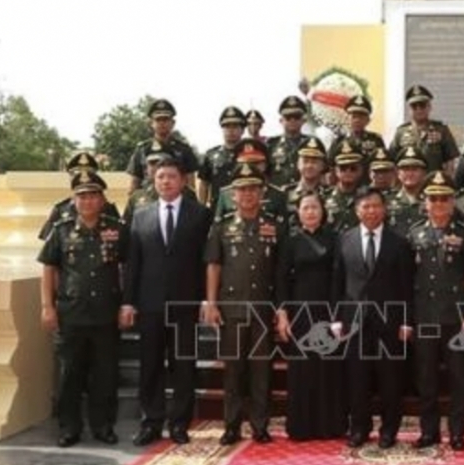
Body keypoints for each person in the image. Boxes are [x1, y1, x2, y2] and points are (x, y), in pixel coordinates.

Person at [122, 157, 215, 447]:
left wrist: (204, 298)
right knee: (150, 365)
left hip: (185, 304)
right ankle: (151, 421)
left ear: (183, 180)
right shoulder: (141, 215)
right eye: (160, 176)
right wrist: (128, 302)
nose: (165, 181)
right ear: (153, 179)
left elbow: (205, 261)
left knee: (183, 366)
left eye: (171, 176)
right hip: (149, 304)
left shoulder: (200, 214)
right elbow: (133, 263)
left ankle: (179, 423)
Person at [38, 170, 127, 447]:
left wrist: (126, 304)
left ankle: (103, 426)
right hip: (71, 313)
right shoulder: (61, 229)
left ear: (102, 200)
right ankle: (69, 427)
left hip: (105, 313)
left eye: (93, 196)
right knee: (68, 374)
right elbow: (49, 268)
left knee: (105, 373)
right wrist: (47, 306)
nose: (87, 201)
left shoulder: (117, 229)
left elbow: (128, 268)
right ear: (74, 200)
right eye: (82, 196)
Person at [203, 162, 286, 445]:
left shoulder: (274, 227)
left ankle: (260, 425)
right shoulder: (221, 227)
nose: (247, 194)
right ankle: (231, 426)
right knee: (234, 371)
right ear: (232, 195)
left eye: (253, 189)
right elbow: (214, 265)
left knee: (262, 371)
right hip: (232, 309)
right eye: (242, 190)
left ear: (261, 193)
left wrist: (280, 308)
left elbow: (280, 271)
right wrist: (211, 303)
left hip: (263, 310)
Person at [332, 187, 415, 449]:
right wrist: (336, 318)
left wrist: (406, 321)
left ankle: (389, 430)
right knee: (357, 379)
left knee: (390, 379)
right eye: (365, 206)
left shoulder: (399, 243)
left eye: (376, 205)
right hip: (354, 321)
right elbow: (338, 282)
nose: (371, 211)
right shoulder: (345, 239)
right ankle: (360, 428)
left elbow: (407, 286)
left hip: (389, 323)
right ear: (357, 210)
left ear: (385, 209)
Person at [408, 171, 464, 451]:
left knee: (460, 378)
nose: (438, 204)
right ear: (425, 202)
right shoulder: (414, 233)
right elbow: (408, 278)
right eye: (433, 198)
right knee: (425, 378)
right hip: (424, 315)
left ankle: (457, 433)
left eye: (444, 199)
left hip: (456, 316)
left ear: (453, 202)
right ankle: (429, 432)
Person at [275, 191, 346, 440]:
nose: (310, 212)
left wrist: (338, 315)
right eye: (305, 208)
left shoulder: (335, 239)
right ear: (298, 212)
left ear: (323, 211)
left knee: (328, 369)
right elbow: (281, 279)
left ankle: (330, 425)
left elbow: (339, 278)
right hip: (299, 313)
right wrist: (282, 313)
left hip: (328, 310)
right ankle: (302, 426)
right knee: (302, 371)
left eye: (315, 207)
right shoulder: (290, 240)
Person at [125, 98, 200, 191]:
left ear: (173, 123)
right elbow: (135, 183)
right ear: (151, 123)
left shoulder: (184, 150)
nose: (162, 123)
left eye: (165, 119)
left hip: (176, 201)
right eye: (158, 120)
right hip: (148, 201)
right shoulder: (143, 149)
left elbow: (190, 184)